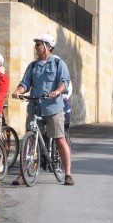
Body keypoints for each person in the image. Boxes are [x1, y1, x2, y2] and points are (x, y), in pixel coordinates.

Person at [11, 33, 74, 186]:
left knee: (60, 139)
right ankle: (23, 173)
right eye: (36, 44)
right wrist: (18, 91)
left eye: (38, 44)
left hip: (53, 107)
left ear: (47, 47)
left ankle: (67, 174)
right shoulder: (32, 66)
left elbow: (63, 83)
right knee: (30, 141)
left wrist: (57, 92)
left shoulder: (58, 64)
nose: (36, 47)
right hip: (35, 107)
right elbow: (25, 83)